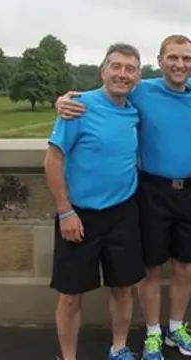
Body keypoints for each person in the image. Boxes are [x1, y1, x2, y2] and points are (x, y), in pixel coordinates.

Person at [54, 35, 191, 360]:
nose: (180, 64)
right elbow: (93, 102)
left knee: (185, 266)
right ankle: (153, 333)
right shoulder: (141, 91)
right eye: (173, 57)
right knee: (152, 268)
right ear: (160, 61)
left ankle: (175, 328)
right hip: (152, 191)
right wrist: (61, 101)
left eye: (186, 58)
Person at [44, 43, 145, 360]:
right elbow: (52, 160)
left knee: (123, 287)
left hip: (123, 212)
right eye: (116, 66)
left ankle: (118, 347)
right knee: (71, 295)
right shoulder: (78, 107)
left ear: (137, 77)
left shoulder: (133, 110)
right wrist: (65, 211)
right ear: (103, 71)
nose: (122, 74)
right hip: (80, 214)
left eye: (130, 69)